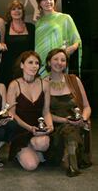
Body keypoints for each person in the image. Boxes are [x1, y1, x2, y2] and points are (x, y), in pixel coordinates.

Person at [44, 48, 92, 177]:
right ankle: (70, 161)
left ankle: (72, 164)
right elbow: (45, 113)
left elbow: (87, 107)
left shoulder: (74, 80)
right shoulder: (43, 83)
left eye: (63, 60)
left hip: (78, 123)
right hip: (56, 125)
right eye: (56, 59)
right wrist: (66, 120)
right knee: (68, 129)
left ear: (66, 64)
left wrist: (83, 119)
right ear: (49, 62)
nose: (59, 62)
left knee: (72, 129)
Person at [7, 51, 53, 171]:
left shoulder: (45, 84)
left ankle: (34, 149)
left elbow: (46, 111)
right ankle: (24, 151)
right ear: (22, 65)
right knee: (31, 166)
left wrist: (50, 126)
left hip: (39, 129)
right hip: (21, 130)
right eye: (30, 62)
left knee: (42, 144)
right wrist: (29, 128)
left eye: (37, 63)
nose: (34, 66)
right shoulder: (14, 85)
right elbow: (12, 114)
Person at [34, 0, 81, 77]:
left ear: (54, 1)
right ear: (39, 3)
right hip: (40, 61)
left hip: (57, 61)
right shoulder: (38, 22)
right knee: (42, 88)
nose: (48, 2)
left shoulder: (65, 18)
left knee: (57, 86)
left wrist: (71, 49)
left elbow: (77, 40)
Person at [1, 0, 35, 85]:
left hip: (27, 66)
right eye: (13, 9)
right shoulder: (4, 28)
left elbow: (34, 47)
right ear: (9, 12)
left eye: (19, 8)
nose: (16, 11)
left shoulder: (31, 27)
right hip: (8, 68)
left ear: (23, 12)